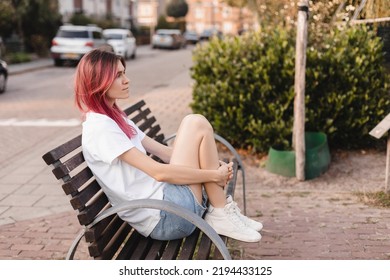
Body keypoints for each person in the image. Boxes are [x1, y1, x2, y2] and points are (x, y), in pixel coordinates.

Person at [74, 49, 262, 243]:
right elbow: (159, 172)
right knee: (194, 122)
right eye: (118, 76)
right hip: (165, 217)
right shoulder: (101, 128)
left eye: (124, 73)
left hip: (168, 204)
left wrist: (212, 164)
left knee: (195, 122)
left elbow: (165, 153)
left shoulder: (115, 118)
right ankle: (220, 212)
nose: (126, 80)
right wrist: (214, 175)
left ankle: (221, 211)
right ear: (98, 82)